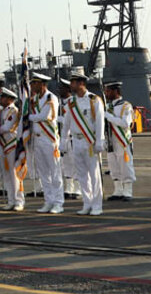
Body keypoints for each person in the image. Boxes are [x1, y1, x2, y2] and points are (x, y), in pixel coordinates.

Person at [63, 70, 105, 216]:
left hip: (90, 141)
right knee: (81, 175)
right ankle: (87, 203)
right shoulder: (71, 103)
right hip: (76, 141)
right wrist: (63, 140)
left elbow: (100, 121)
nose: (70, 85)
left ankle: (97, 205)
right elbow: (66, 123)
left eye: (73, 82)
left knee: (94, 175)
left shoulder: (94, 100)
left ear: (81, 83)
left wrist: (100, 141)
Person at [26, 73, 63, 214]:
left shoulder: (50, 98)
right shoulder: (34, 99)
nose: (32, 86)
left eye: (35, 83)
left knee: (55, 172)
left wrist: (28, 117)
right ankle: (49, 201)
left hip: (49, 139)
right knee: (43, 173)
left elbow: (44, 116)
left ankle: (58, 203)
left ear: (42, 84)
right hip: (37, 139)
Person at [103, 81, 136, 201]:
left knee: (125, 166)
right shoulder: (107, 107)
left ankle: (128, 191)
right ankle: (118, 190)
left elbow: (125, 123)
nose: (106, 93)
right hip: (111, 141)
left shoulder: (126, 106)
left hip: (122, 140)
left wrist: (109, 117)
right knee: (113, 166)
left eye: (108, 91)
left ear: (116, 91)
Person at [0, 87, 24, 211]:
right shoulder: (1, 112)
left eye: (2, 97)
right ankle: (11, 200)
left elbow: (7, 127)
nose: (0, 99)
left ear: (9, 99)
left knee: (14, 174)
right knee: (6, 174)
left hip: (12, 144)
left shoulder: (13, 111)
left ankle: (19, 201)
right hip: (2, 144)